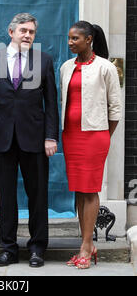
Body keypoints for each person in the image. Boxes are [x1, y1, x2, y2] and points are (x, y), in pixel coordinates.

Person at [0, 13, 59, 268]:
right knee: (6, 196)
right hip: (2, 138)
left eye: (31, 32)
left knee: (37, 195)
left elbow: (51, 103)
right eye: (23, 30)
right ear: (10, 32)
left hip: (35, 139)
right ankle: (8, 249)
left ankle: (37, 248)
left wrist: (50, 136)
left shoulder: (43, 60)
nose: (27, 35)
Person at [60, 21, 122, 270]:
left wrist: (104, 135)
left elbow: (115, 108)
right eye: (69, 38)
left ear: (89, 40)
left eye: (75, 38)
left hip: (95, 136)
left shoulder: (105, 67)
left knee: (90, 189)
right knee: (78, 189)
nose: (70, 42)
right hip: (71, 135)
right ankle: (85, 243)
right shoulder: (66, 67)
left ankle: (87, 245)